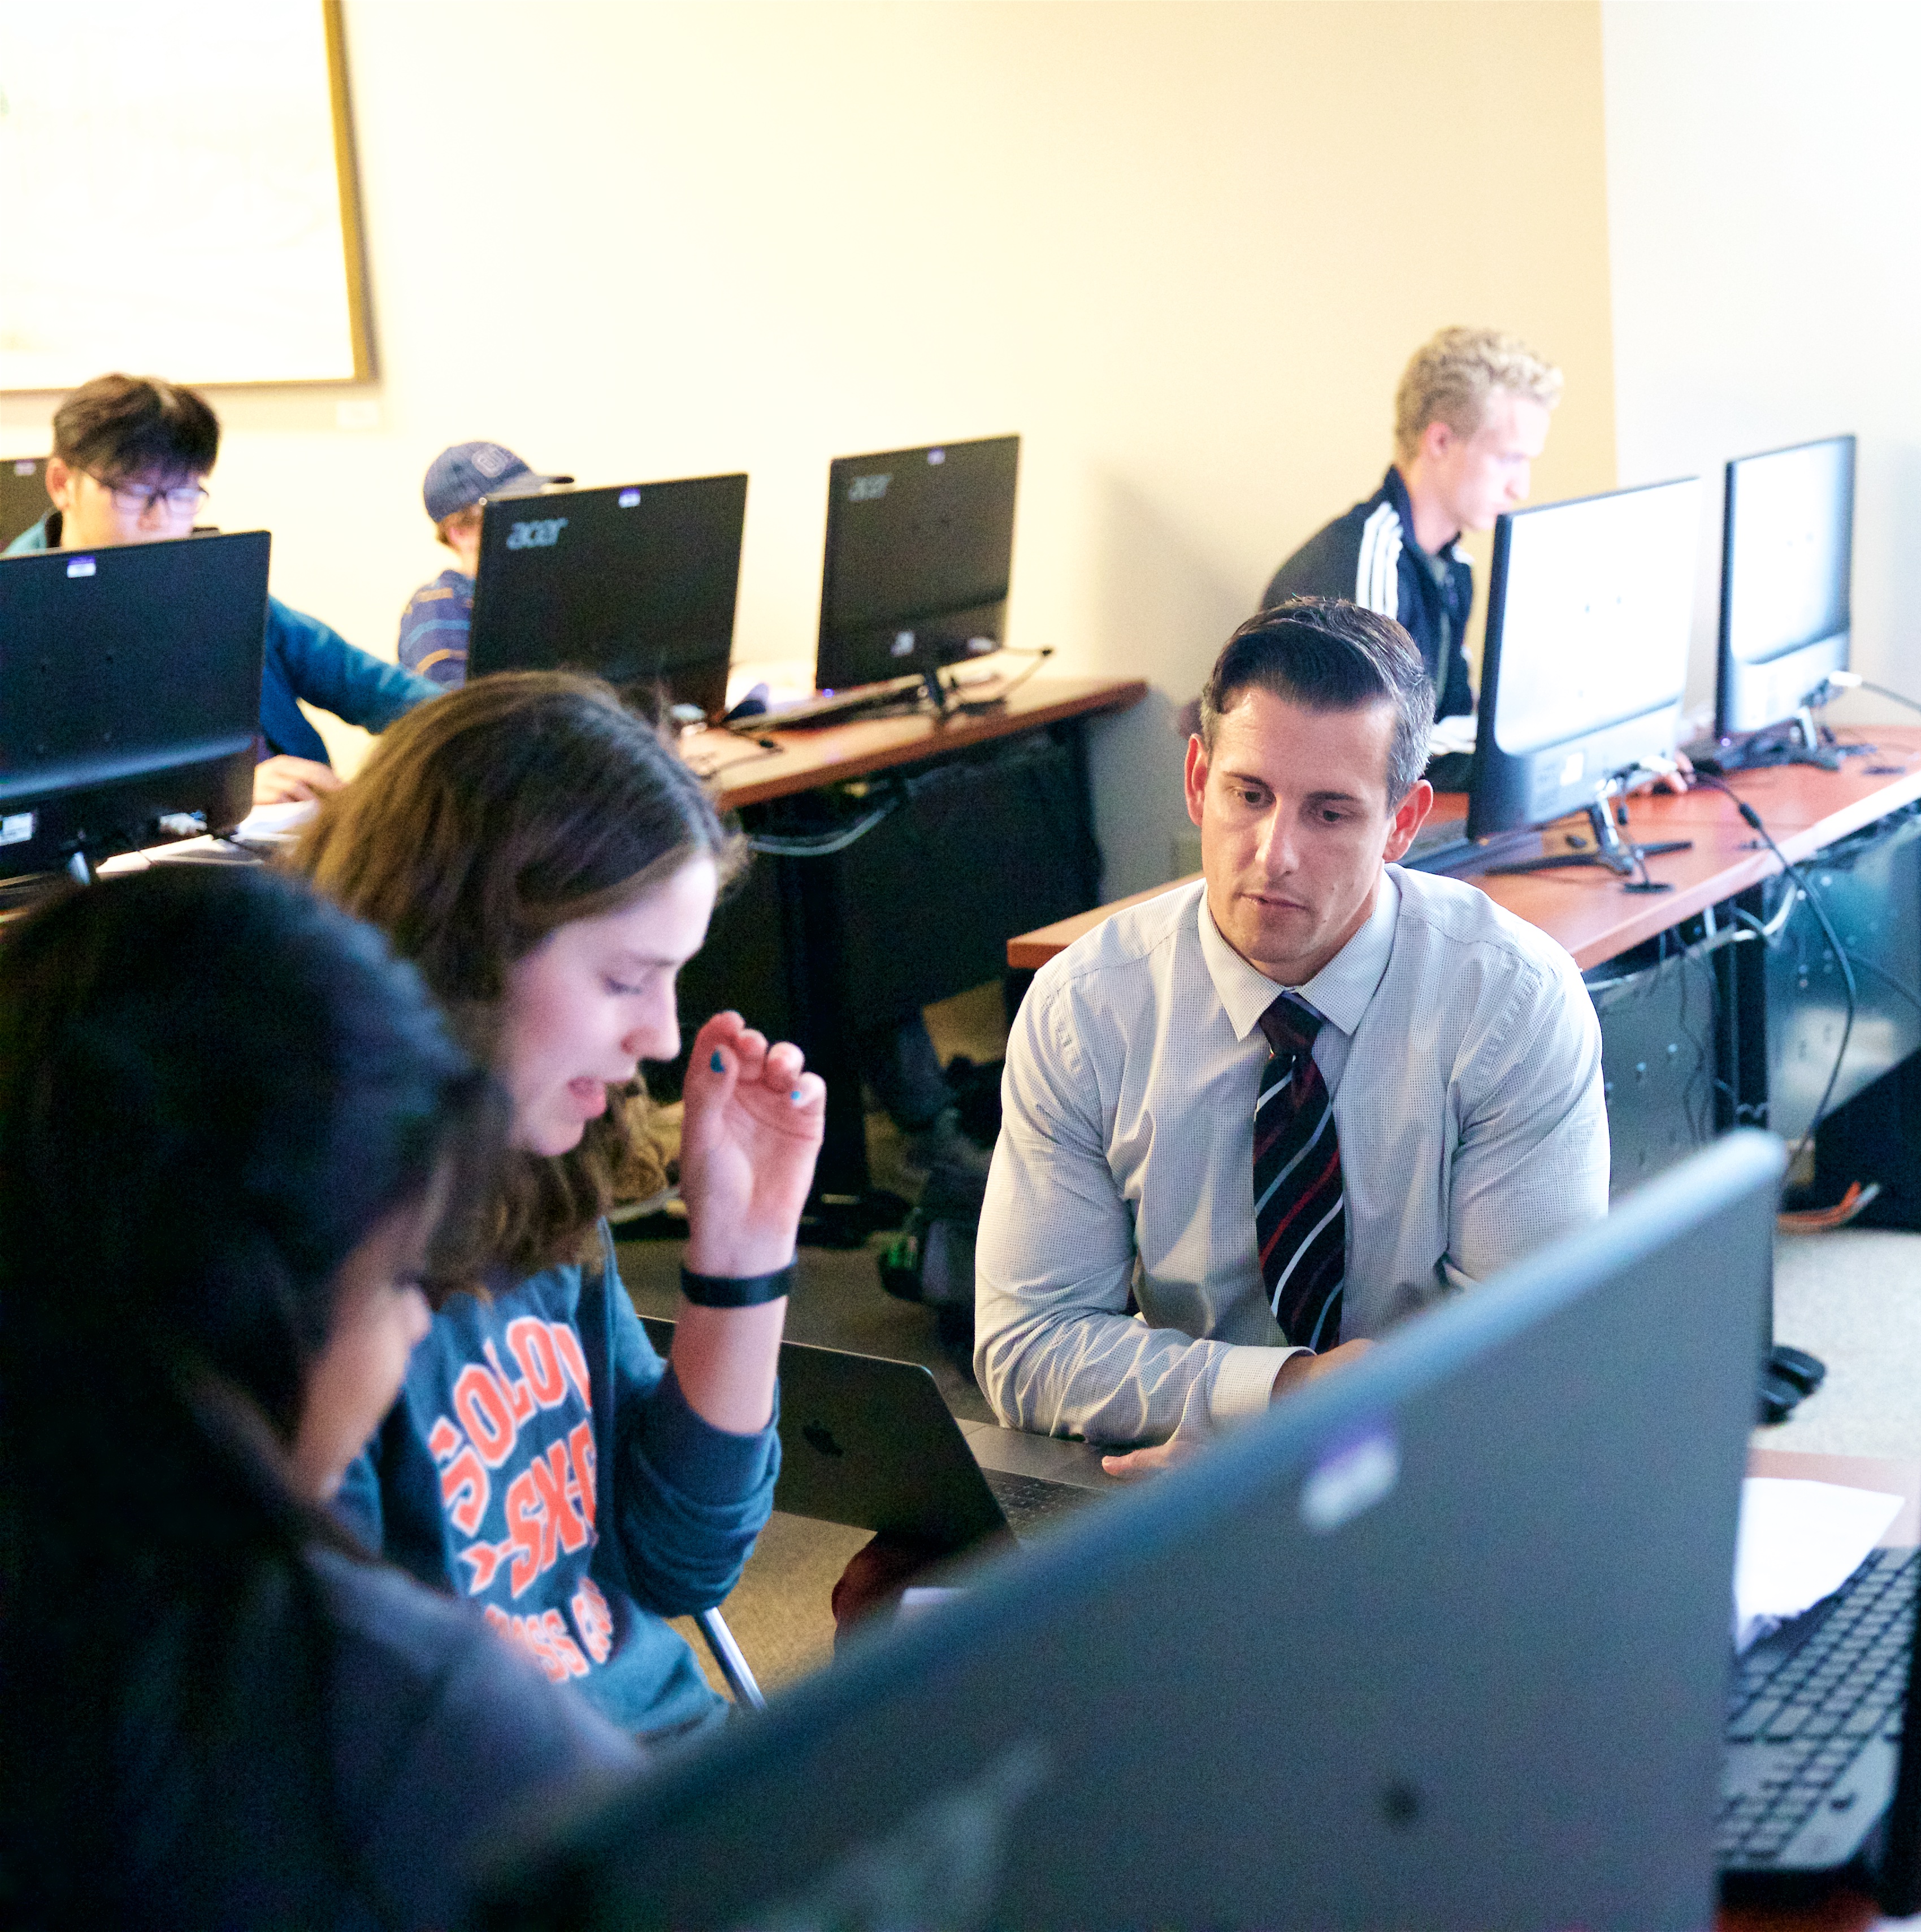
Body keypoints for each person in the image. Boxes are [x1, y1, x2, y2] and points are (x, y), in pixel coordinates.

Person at [0, 865, 636, 1928]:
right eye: (395, 1282)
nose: (419, 1323)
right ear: (249, 1306)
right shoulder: (382, 1702)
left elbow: (678, 1540)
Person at [296, 672, 823, 1740]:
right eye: (628, 978)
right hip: (506, 1816)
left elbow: (673, 1559)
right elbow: (334, 1707)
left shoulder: (529, 1180)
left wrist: (743, 1259)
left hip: (648, 1757)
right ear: (465, 952)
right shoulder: (312, 1260)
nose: (665, 1039)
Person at [974, 598, 1609, 1466]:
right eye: (1249, 794)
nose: (1275, 852)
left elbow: (1524, 1358)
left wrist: (1289, 1442)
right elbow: (1028, 1343)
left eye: (1330, 813)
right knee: (883, 1591)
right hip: (1174, 1472)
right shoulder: (1084, 1007)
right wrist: (1279, 1396)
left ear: (1403, 822)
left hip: (1435, 1468)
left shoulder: (1513, 1002)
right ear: (1199, 780)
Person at [5, 374, 439, 807]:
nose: (163, 521)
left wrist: (477, 725)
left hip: (287, 831)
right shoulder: (19, 605)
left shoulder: (214, 584)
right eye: (137, 492)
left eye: (182, 494)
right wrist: (223, 787)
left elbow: (370, 686)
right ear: (63, 483)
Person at [1264, 327, 1562, 726]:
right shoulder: (1363, 563)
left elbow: (1449, 717)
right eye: (1508, 459)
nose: (1520, 487)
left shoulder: (1454, 568)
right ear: (1439, 441)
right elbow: (1380, 753)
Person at [398, 440, 570, 688]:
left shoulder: (545, 588)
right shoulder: (438, 608)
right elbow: (462, 714)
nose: (539, 519)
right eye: (515, 511)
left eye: (536, 502)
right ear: (460, 532)